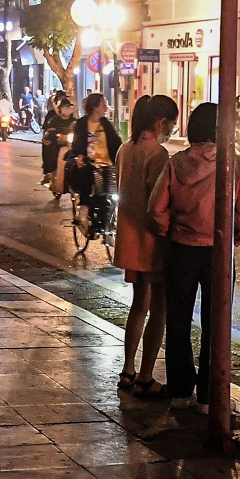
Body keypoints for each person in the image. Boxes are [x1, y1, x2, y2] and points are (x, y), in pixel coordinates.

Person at [149, 102, 240, 413]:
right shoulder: (232, 164)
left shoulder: (176, 163)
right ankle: (209, 394)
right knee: (216, 322)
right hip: (218, 253)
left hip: (181, 249)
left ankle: (180, 391)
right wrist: (233, 238)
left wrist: (171, 230)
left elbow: (156, 209)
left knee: (178, 320)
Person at [115, 94, 177, 397]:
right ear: (160, 122)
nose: (172, 129)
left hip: (129, 237)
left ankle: (128, 369)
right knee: (159, 309)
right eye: (172, 123)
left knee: (138, 304)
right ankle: (146, 375)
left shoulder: (125, 149)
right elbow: (159, 202)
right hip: (152, 240)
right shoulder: (159, 153)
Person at [67, 92, 122, 236]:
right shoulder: (81, 124)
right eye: (103, 104)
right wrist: (79, 157)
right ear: (95, 107)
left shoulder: (106, 124)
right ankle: (84, 208)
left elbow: (116, 143)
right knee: (88, 176)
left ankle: (108, 221)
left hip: (107, 164)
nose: (105, 107)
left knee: (110, 192)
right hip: (89, 163)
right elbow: (77, 145)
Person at [40, 91, 75, 197]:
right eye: (65, 106)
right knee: (53, 158)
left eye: (69, 106)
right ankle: (54, 179)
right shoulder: (54, 120)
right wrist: (51, 135)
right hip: (56, 145)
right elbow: (48, 131)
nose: (67, 108)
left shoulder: (74, 121)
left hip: (69, 145)